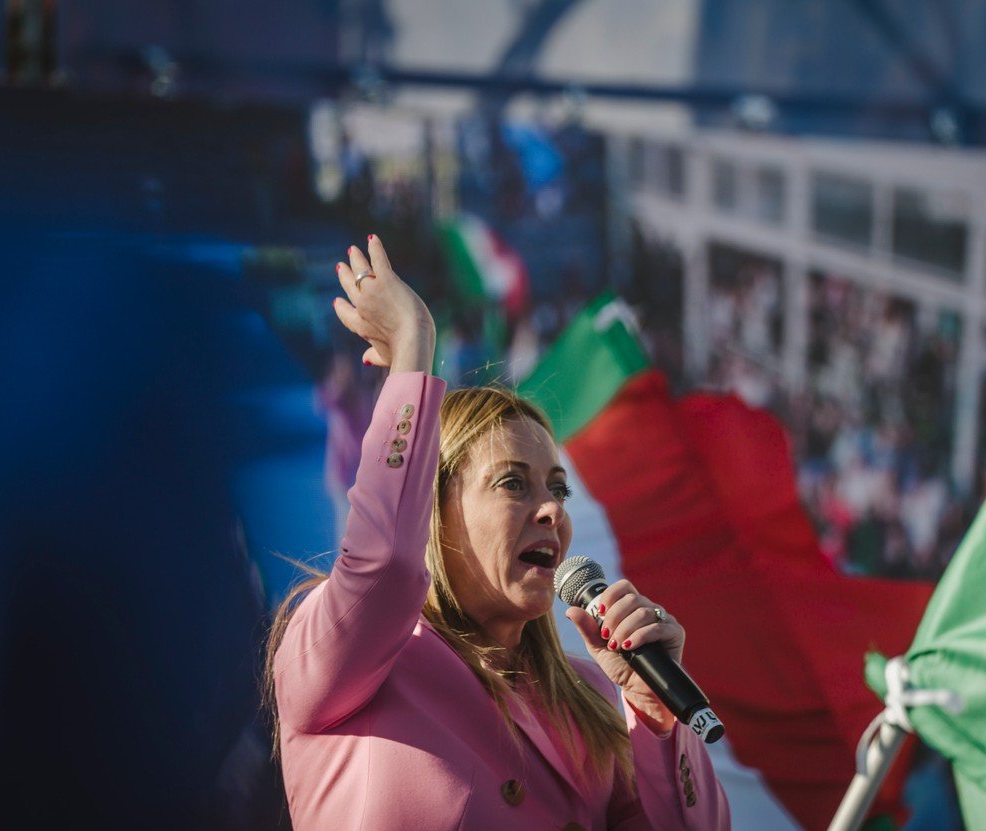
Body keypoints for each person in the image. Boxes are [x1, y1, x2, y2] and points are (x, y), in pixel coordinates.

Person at [265, 235, 730, 830]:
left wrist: (657, 717)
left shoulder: (589, 696)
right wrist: (413, 346)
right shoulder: (342, 657)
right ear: (432, 508)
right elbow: (384, 567)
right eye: (513, 483)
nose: (552, 511)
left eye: (558, 490)